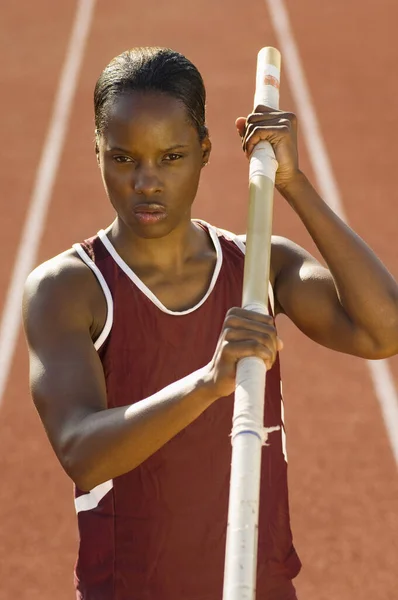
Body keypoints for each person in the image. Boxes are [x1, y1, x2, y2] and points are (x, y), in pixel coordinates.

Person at [22, 47, 398, 600]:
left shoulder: (258, 265)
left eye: (171, 157)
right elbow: (81, 452)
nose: (146, 182)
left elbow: (382, 329)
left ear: (205, 152)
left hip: (258, 583)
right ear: (97, 151)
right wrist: (206, 383)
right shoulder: (67, 289)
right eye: (124, 158)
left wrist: (293, 184)